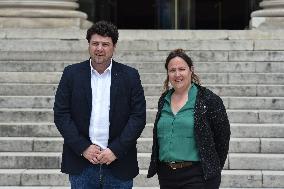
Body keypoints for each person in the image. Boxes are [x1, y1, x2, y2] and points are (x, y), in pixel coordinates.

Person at [53, 20, 146, 189]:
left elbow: (138, 117)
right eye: (95, 43)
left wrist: (115, 150)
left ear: (114, 47)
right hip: (82, 164)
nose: (99, 49)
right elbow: (61, 114)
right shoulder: (71, 74)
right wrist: (83, 147)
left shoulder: (130, 76)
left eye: (105, 44)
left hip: (119, 163)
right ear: (88, 45)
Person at [147, 49, 230, 189]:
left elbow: (223, 138)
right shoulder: (164, 99)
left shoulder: (209, 99)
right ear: (167, 73)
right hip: (167, 175)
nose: (177, 74)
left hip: (197, 176)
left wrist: (212, 168)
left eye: (182, 69)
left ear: (191, 70)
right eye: (172, 70)